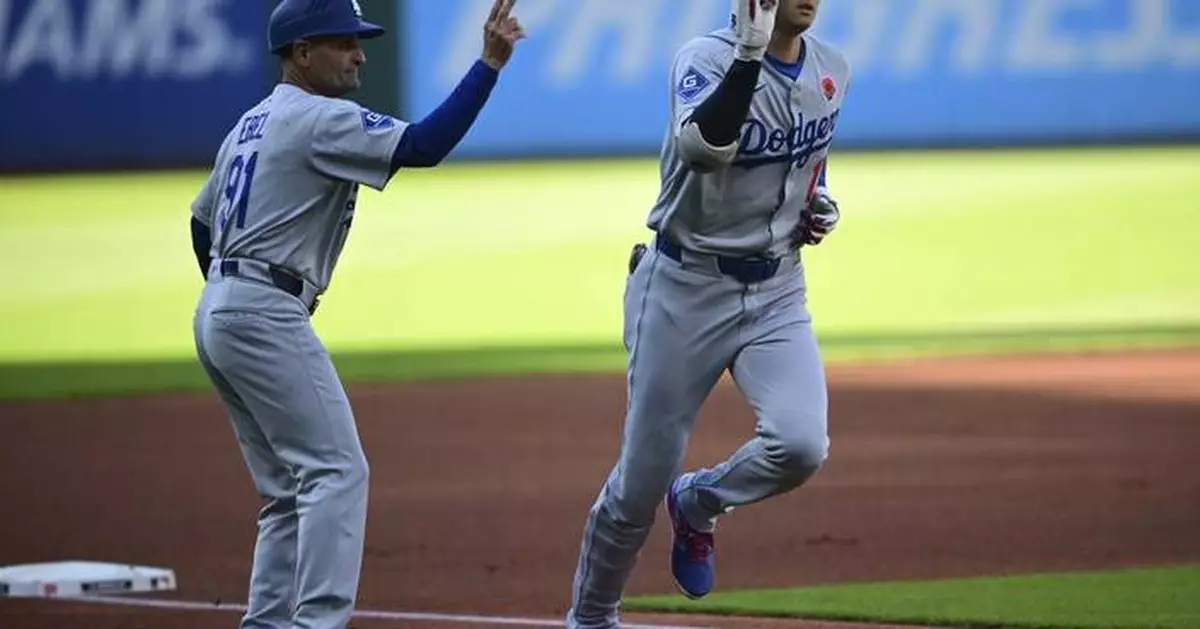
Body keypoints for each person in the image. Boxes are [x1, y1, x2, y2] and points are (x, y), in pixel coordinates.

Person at [187, 1, 524, 627]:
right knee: (338, 472)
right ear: (300, 53)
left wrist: (230, 295)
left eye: (359, 41)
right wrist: (488, 65)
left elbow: (200, 222)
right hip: (262, 309)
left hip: (220, 309)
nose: (360, 53)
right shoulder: (319, 117)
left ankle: (266, 621)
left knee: (288, 492)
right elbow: (423, 145)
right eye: (343, 42)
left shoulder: (251, 123)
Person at [566, 0, 850, 625]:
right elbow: (704, 149)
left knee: (801, 444)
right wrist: (750, 57)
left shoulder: (832, 69)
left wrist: (818, 204)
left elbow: (807, 167)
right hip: (683, 289)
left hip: (777, 289)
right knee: (640, 482)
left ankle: (699, 502)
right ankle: (591, 616)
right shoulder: (705, 59)